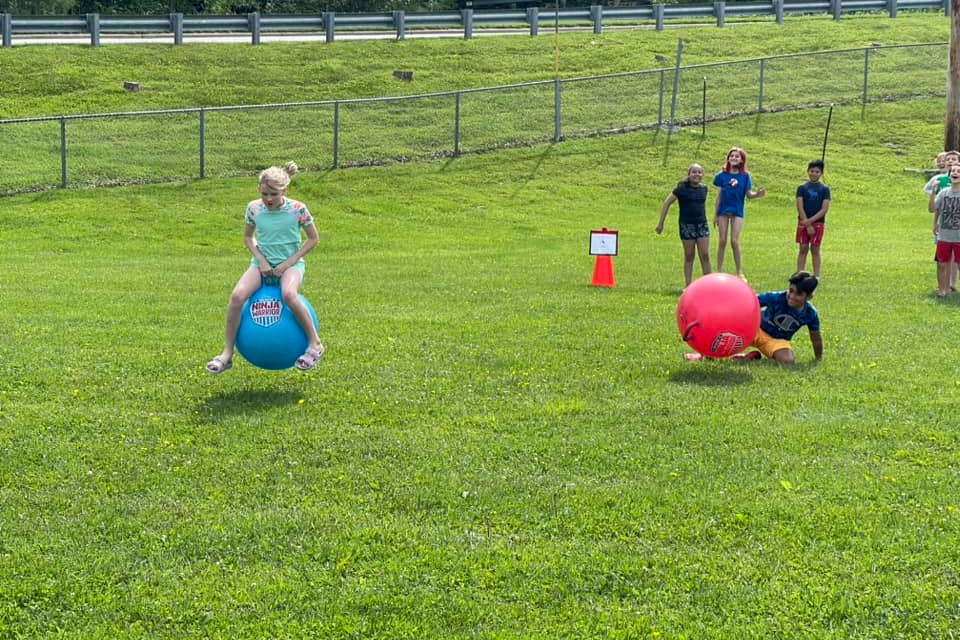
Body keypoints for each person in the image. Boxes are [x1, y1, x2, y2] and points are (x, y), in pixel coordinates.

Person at [206, 162, 325, 374]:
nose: (268, 199)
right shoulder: (254, 208)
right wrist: (261, 260)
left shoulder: (298, 209)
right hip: (261, 265)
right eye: (264, 194)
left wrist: (288, 263)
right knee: (237, 296)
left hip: (291, 265)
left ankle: (315, 343)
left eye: (273, 194)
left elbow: (313, 239)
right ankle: (226, 354)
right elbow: (248, 237)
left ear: (284, 191)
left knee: (288, 294)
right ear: (258, 190)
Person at [684, 271, 822, 364]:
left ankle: (748, 357)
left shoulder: (810, 314)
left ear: (808, 297)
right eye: (790, 291)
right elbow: (749, 302)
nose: (792, 296)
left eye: (798, 294)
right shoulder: (776, 298)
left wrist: (818, 358)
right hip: (753, 331)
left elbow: (815, 337)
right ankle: (702, 355)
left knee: (788, 361)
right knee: (722, 335)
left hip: (777, 340)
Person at [713, 147, 765, 281]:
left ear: (742, 160)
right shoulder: (721, 175)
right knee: (722, 240)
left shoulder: (745, 176)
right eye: (732, 156)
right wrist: (715, 215)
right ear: (728, 158)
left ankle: (739, 272)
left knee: (734, 241)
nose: (734, 158)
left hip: (737, 211)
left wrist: (757, 195)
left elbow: (749, 194)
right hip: (723, 211)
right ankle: (718, 270)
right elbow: (718, 196)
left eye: (737, 156)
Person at [656, 163, 712, 287]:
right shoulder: (681, 189)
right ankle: (688, 286)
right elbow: (667, 203)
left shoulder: (704, 189)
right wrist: (661, 224)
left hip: (702, 225)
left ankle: (709, 285)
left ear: (702, 175)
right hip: (687, 226)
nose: (696, 174)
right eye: (694, 172)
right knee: (689, 255)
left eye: (699, 172)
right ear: (689, 174)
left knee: (705, 254)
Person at [926, 150, 960, 292]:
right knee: (942, 263)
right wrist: (933, 192)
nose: (955, 173)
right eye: (952, 171)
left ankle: (952, 285)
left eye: (958, 171)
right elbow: (933, 209)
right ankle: (943, 290)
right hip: (944, 235)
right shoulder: (943, 193)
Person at [795, 159, 831, 278]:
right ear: (808, 172)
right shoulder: (802, 188)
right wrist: (806, 223)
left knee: (815, 249)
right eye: (812, 171)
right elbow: (800, 206)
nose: (814, 174)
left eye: (817, 172)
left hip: (818, 223)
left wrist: (810, 222)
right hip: (803, 222)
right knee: (803, 248)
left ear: (821, 173)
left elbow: (824, 208)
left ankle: (816, 276)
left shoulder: (825, 189)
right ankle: (800, 274)